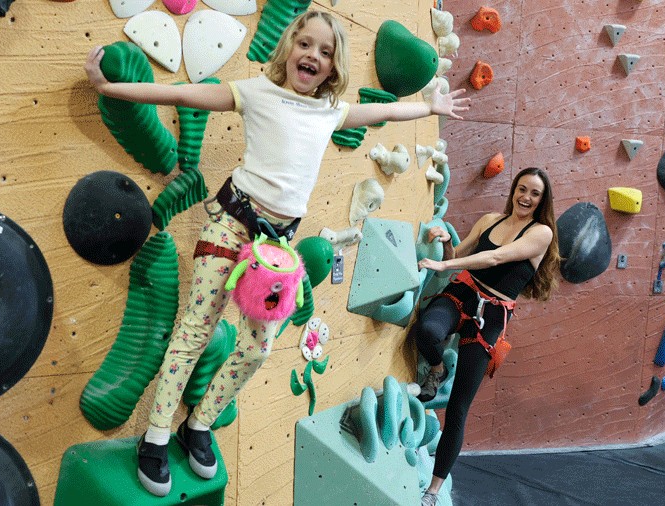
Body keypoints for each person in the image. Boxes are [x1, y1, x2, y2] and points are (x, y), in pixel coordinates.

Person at [85, 10, 472, 497]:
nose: (312, 55)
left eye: (325, 51)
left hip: (276, 249)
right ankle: (157, 436)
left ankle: (198, 424)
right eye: (305, 44)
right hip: (231, 225)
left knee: (260, 346)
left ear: (333, 67)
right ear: (289, 48)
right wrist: (109, 89)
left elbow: (387, 112)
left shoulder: (330, 111)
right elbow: (181, 93)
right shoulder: (255, 92)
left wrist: (430, 109)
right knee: (195, 331)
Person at [414, 167, 560, 506]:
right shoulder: (489, 219)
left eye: (534, 193)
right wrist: (448, 244)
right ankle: (437, 369)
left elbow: (494, 257)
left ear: (542, 200)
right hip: (461, 294)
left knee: (458, 408)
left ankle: (432, 491)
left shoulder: (541, 233)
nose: (526, 197)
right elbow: (458, 257)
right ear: (513, 190)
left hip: (490, 319)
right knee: (427, 331)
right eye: (522, 189)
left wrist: (443, 266)